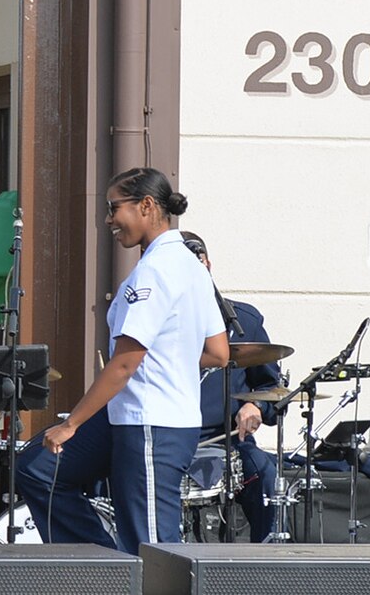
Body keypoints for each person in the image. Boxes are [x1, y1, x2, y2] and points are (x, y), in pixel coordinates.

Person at [14, 168, 230, 553]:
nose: (109, 219)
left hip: (152, 423)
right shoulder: (193, 266)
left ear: (146, 206)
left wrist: (71, 424)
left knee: (152, 547)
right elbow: (218, 352)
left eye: (115, 208)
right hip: (128, 416)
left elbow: (125, 364)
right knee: (38, 469)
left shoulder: (157, 270)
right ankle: (105, 569)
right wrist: (169, 358)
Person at [182, 232, 284, 542]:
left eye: (196, 263)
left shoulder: (243, 321)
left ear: (208, 265)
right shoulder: (161, 320)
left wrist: (255, 406)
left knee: (266, 475)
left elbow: (271, 387)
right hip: (171, 439)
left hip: (229, 442)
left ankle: (267, 560)